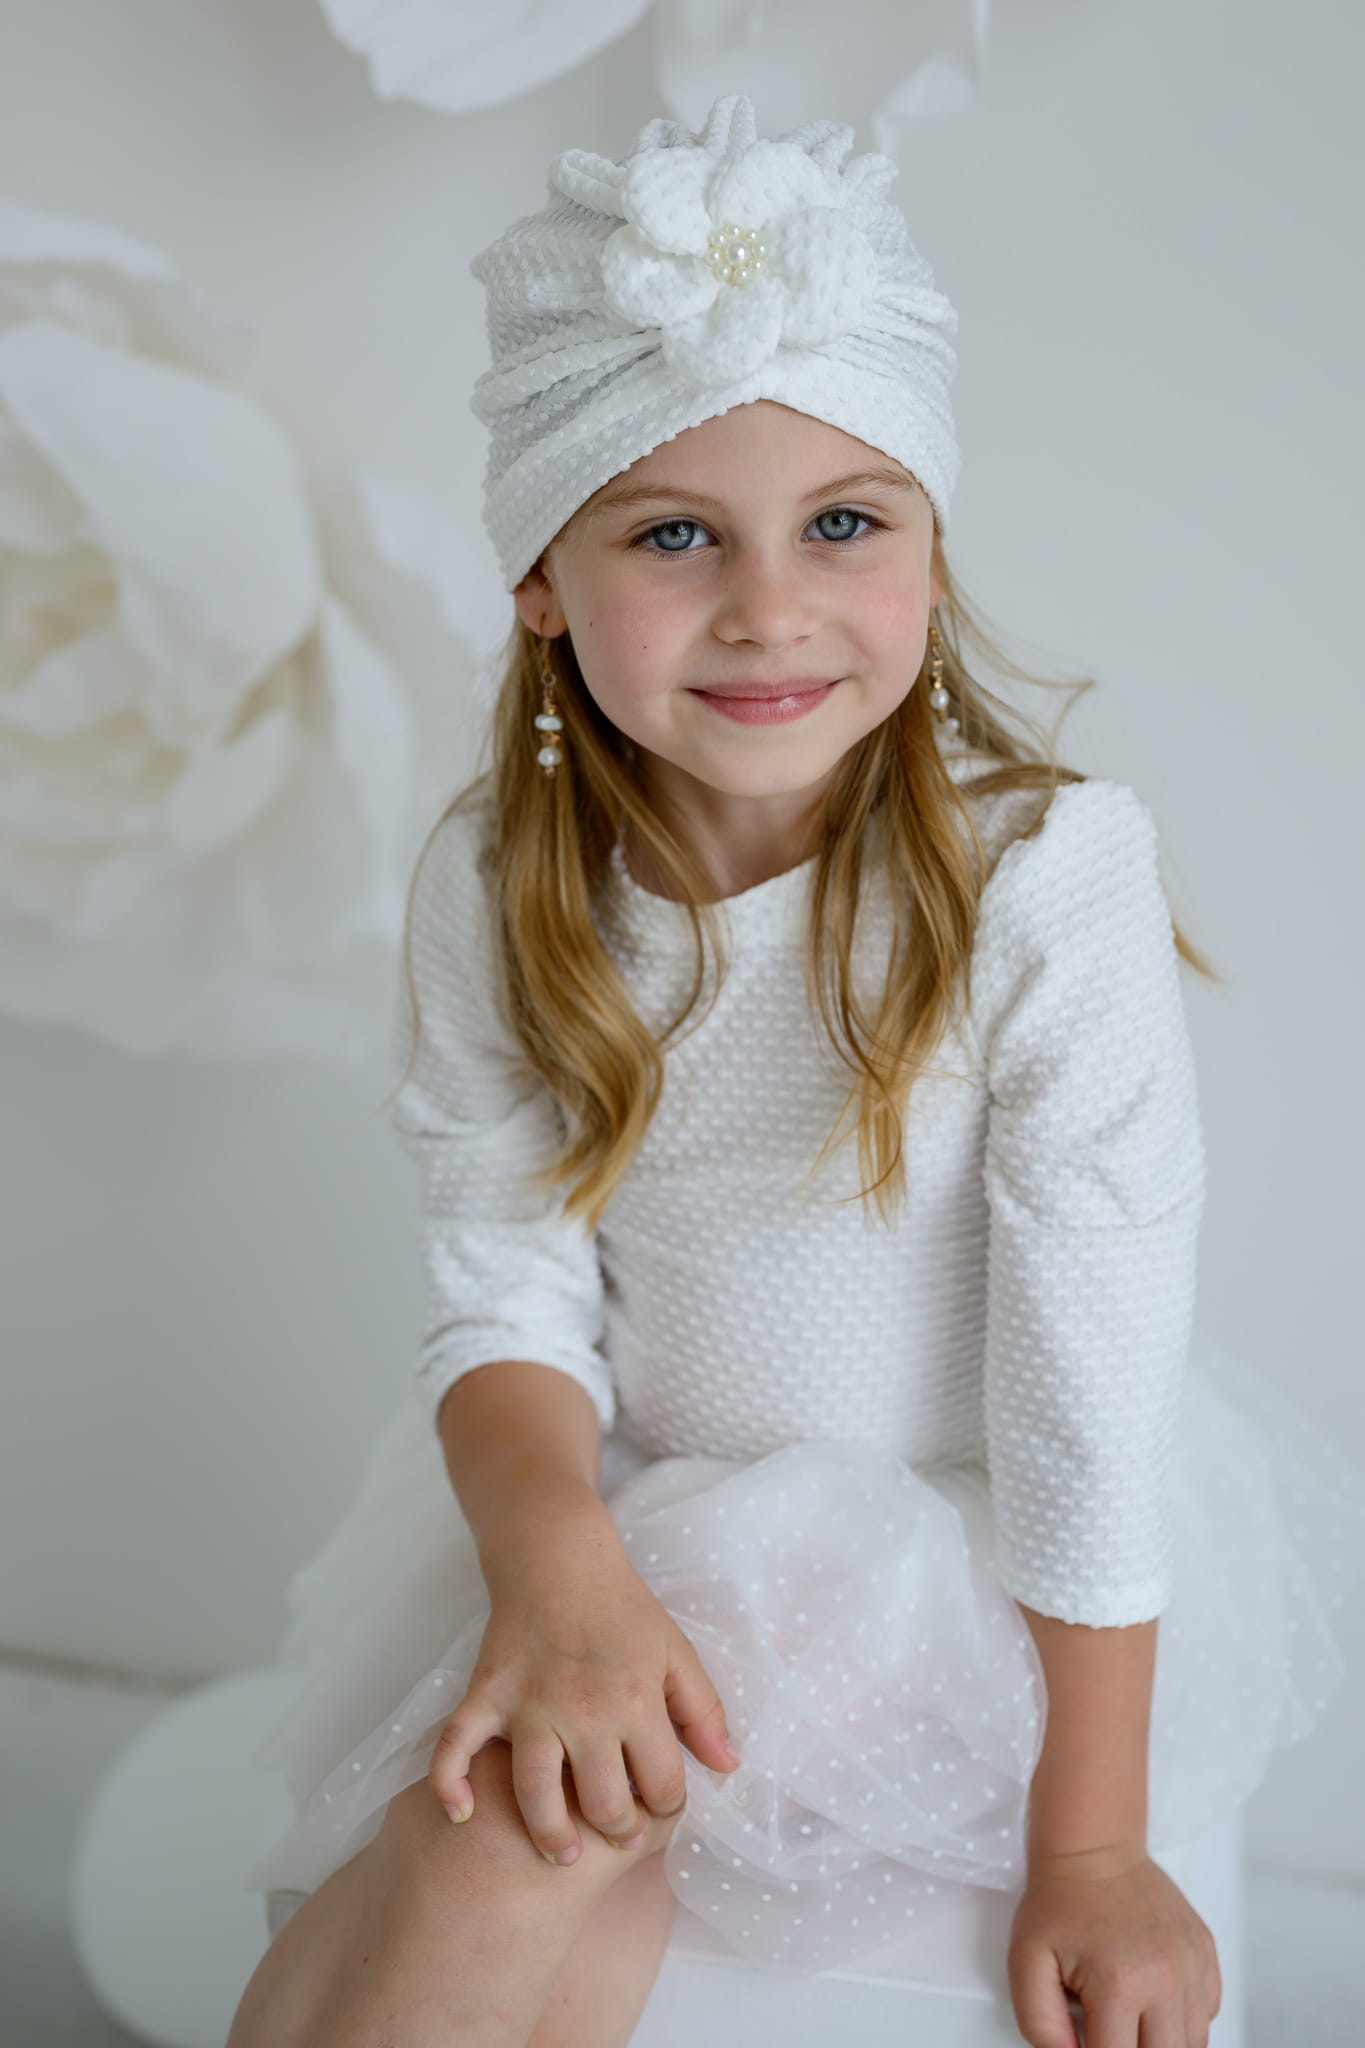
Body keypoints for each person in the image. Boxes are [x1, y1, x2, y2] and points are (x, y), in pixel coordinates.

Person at [229, 94, 1364, 2048]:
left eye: (843, 521)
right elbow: (502, 1297)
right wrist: (560, 1568)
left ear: (928, 540)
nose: (768, 606)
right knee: (515, 1845)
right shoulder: (505, 881)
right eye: (673, 533)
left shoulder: (1040, 881)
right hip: (631, 1507)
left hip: (956, 1540)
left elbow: (1082, 1384)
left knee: (515, 1848)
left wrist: (1092, 1846)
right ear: (539, 577)